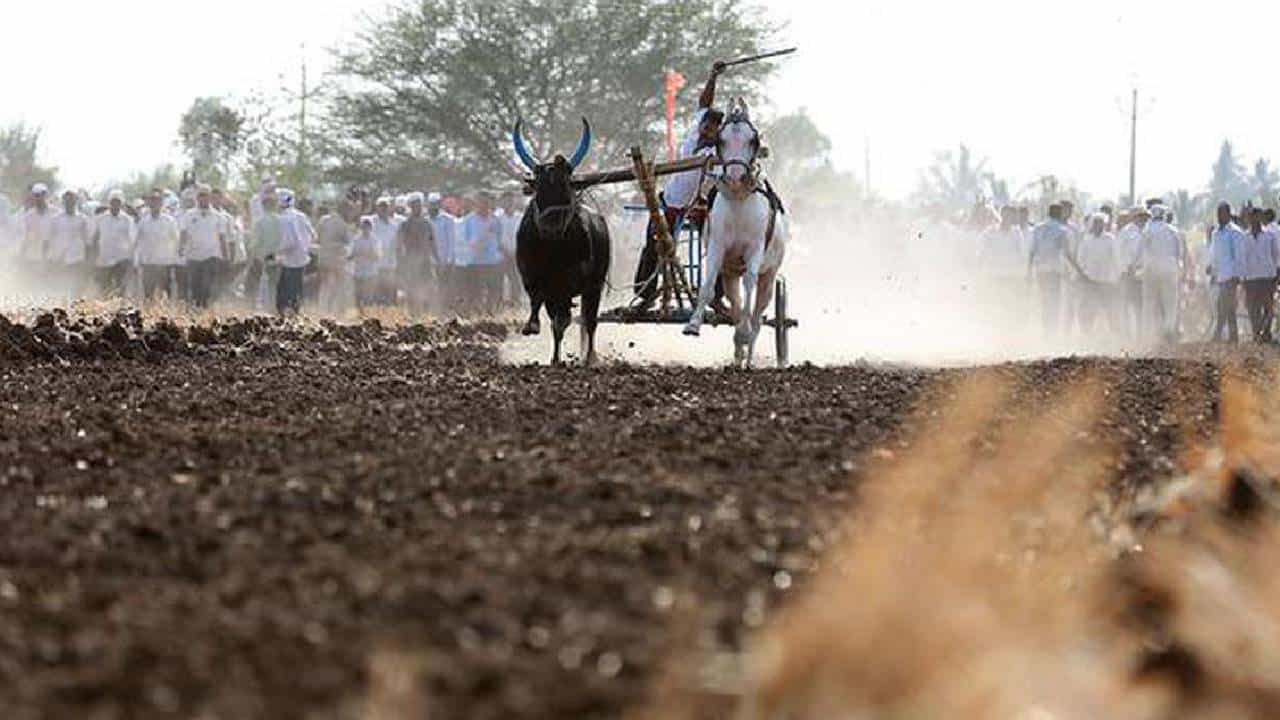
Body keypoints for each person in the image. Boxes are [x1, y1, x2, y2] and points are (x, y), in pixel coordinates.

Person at [634, 60, 725, 308]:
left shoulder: (717, 152)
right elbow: (704, 102)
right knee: (653, 243)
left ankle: (717, 297)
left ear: (719, 132)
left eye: (714, 129)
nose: (708, 131)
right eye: (707, 126)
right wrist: (713, 76)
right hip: (670, 201)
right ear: (702, 124)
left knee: (719, 246)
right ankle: (645, 294)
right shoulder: (695, 131)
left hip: (699, 207)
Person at [1139, 205, 1185, 344]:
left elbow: (1142, 251)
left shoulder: (1147, 230)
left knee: (1149, 303)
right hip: (1169, 269)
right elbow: (1180, 253)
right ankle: (1168, 331)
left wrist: (1138, 267)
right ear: (1164, 215)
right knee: (1170, 302)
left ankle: (1147, 334)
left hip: (1151, 269)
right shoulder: (1173, 231)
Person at [180, 185, 230, 309]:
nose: (203, 199)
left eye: (205, 196)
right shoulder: (189, 215)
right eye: (200, 196)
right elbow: (184, 232)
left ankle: (205, 305)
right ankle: (197, 307)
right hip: (194, 255)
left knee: (207, 283)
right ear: (197, 198)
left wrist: (226, 254)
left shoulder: (219, 216)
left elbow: (222, 236)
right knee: (195, 284)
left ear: (210, 198)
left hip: (212, 255)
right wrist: (181, 246)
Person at [976, 205, 1027, 324]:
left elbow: (1022, 253)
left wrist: (1023, 273)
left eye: (1010, 215)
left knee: (1011, 304)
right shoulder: (990, 232)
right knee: (995, 303)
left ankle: (1009, 328)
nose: (1008, 218)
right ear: (1001, 215)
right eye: (1005, 215)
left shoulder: (1017, 232)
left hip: (1012, 275)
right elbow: (982, 252)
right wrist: (979, 267)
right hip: (995, 274)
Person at [1073, 212, 1122, 335]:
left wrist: (1117, 277)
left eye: (1100, 223)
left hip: (1106, 282)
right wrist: (1081, 276)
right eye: (1095, 223)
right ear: (1092, 225)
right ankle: (1086, 335)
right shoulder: (1086, 240)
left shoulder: (1110, 239)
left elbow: (1116, 259)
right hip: (1090, 282)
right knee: (1088, 311)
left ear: (1104, 225)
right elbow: (1080, 260)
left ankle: (1115, 336)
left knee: (1110, 311)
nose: (1098, 226)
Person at [1028, 203, 1070, 336]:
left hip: (1041, 270)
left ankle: (1045, 329)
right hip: (1055, 271)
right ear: (1059, 213)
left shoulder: (1038, 228)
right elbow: (1066, 253)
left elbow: (1032, 251)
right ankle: (1052, 331)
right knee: (1054, 302)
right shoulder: (1062, 230)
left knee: (1044, 300)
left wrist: (1029, 271)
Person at [1238, 206, 1278, 343]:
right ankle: (1256, 332)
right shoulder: (1244, 237)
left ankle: (1266, 332)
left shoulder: (1270, 236)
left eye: (1256, 216)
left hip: (1267, 276)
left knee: (1268, 307)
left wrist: (1276, 275)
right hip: (1251, 277)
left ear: (1260, 217)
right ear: (1248, 219)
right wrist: (1242, 278)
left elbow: (1276, 255)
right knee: (1252, 307)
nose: (1254, 219)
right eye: (1251, 217)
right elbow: (1242, 259)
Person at [461, 192, 505, 314]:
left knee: (493, 289)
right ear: (476, 204)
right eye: (481, 202)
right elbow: (467, 242)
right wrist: (484, 235)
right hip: (474, 261)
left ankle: (490, 313)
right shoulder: (468, 220)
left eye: (486, 203)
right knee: (474, 291)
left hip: (491, 261)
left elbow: (499, 240)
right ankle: (474, 313)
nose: (484, 205)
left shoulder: (495, 220)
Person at [274, 188, 315, 316]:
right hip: (302, 258)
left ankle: (288, 317)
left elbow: (289, 242)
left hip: (289, 259)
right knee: (297, 288)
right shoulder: (301, 216)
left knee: (285, 294)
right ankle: (295, 314)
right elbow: (313, 235)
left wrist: (275, 251)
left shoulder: (283, 219)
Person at [136, 188, 181, 301]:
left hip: (164, 263)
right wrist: (137, 260)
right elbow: (138, 242)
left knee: (166, 293)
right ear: (149, 204)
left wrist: (175, 259)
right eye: (152, 201)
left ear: (161, 203)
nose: (155, 203)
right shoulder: (143, 222)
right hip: (148, 262)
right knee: (148, 294)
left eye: (157, 201)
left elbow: (176, 240)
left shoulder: (170, 221)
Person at [1209, 202, 1243, 344]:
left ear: (1228, 214)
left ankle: (1217, 334)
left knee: (1222, 304)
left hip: (1231, 275)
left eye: (1222, 213)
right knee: (1228, 307)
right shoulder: (1216, 233)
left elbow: (1239, 255)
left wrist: (1237, 275)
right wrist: (1213, 273)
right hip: (1221, 275)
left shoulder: (1235, 232)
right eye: (1218, 213)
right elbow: (1215, 255)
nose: (1219, 217)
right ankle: (1233, 337)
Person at [396, 192, 437, 314]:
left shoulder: (427, 223)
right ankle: (413, 313)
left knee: (428, 287)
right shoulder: (405, 224)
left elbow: (432, 242)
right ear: (410, 207)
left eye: (419, 205)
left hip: (425, 260)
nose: (417, 208)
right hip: (411, 261)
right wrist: (401, 262)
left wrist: (437, 258)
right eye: (414, 205)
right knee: (412, 289)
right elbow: (399, 244)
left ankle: (426, 313)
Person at [92, 189, 136, 298]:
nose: (115, 205)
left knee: (121, 288)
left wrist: (133, 261)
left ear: (122, 204)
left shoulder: (128, 220)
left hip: (122, 259)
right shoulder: (100, 219)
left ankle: (120, 311)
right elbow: (94, 238)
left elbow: (132, 241)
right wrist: (93, 258)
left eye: (118, 202)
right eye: (113, 202)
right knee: (104, 289)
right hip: (104, 259)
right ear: (109, 203)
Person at [247, 191, 283, 310]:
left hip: (261, 255)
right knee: (273, 283)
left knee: (254, 282)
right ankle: (272, 306)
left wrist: (251, 256)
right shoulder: (281, 221)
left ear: (263, 206)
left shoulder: (259, 221)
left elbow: (255, 241)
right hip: (276, 255)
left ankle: (252, 305)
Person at [19, 184, 55, 283]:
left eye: (41, 195)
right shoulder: (29, 215)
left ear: (46, 195)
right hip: (34, 256)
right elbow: (26, 236)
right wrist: (22, 255)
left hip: (52, 258)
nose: (38, 198)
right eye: (36, 195)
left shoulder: (55, 213)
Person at [428, 192, 458, 310]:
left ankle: (445, 309)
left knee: (446, 287)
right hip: (431, 261)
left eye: (435, 204)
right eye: (431, 204)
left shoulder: (448, 220)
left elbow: (451, 241)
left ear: (439, 204)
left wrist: (448, 261)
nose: (433, 206)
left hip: (446, 261)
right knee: (432, 287)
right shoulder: (425, 220)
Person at [370, 196, 401, 305]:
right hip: (375, 261)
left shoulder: (394, 225)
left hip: (390, 261)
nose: (383, 209)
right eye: (381, 206)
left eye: (385, 207)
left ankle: (390, 305)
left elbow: (397, 244)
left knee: (390, 286)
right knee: (376, 287)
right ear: (377, 208)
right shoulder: (371, 222)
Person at [349, 217, 382, 313]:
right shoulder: (356, 240)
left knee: (369, 294)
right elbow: (351, 255)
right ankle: (359, 311)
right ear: (361, 227)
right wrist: (355, 255)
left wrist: (368, 254)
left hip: (371, 272)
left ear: (371, 228)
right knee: (358, 294)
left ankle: (368, 312)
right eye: (363, 226)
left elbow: (378, 256)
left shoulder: (375, 240)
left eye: (367, 227)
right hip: (358, 271)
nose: (365, 229)